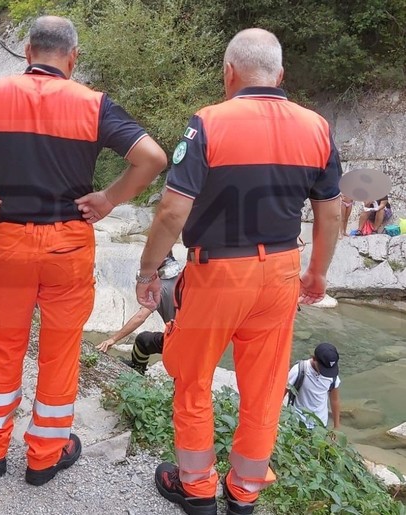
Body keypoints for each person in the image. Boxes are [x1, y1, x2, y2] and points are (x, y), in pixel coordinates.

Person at [0, 15, 167, 486]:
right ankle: (44, 456)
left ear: (27, 51)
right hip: (67, 244)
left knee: (4, 345)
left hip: (10, 239)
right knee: (60, 352)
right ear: (73, 58)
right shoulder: (94, 105)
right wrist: (109, 198)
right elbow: (152, 158)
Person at [135, 28, 342, 515]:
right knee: (267, 387)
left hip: (218, 273)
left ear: (229, 72)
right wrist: (317, 272)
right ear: (281, 74)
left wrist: (149, 271)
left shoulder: (208, 123)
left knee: (193, 378)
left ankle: (198, 488)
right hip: (283, 270)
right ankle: (245, 493)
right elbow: (331, 212)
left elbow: (170, 212)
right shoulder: (317, 127)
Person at [96, 253, 181, 375]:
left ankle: (138, 370)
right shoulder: (185, 278)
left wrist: (113, 339)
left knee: (142, 340)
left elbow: (140, 317)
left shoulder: (159, 289)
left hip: (179, 341)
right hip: (202, 339)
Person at [286, 343, 341, 430]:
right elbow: (281, 393)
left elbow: (334, 400)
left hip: (320, 424)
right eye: (324, 369)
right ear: (314, 358)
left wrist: (336, 426)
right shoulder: (299, 370)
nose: (326, 373)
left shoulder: (332, 376)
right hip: (297, 422)